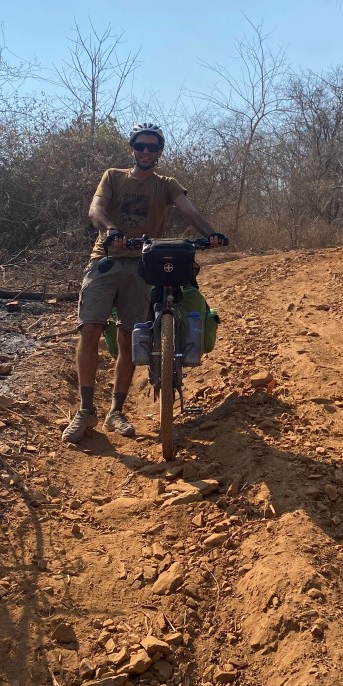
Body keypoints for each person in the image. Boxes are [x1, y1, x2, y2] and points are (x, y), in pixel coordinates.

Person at [62, 122, 226, 445]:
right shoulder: (113, 176)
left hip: (143, 263)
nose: (147, 152)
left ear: (160, 152)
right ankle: (85, 410)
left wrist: (211, 233)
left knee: (128, 337)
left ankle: (116, 411)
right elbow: (95, 209)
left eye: (153, 147)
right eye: (141, 146)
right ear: (132, 148)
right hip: (106, 259)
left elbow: (189, 211)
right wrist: (111, 230)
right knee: (90, 329)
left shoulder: (166, 184)